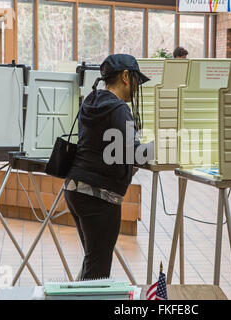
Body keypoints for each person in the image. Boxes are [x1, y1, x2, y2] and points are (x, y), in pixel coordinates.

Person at [64, 54, 152, 280]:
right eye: (135, 80)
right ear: (125, 76)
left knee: (92, 260)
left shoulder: (91, 101)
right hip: (99, 196)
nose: (136, 87)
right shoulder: (119, 109)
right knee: (98, 270)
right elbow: (134, 154)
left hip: (75, 189)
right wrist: (161, 145)